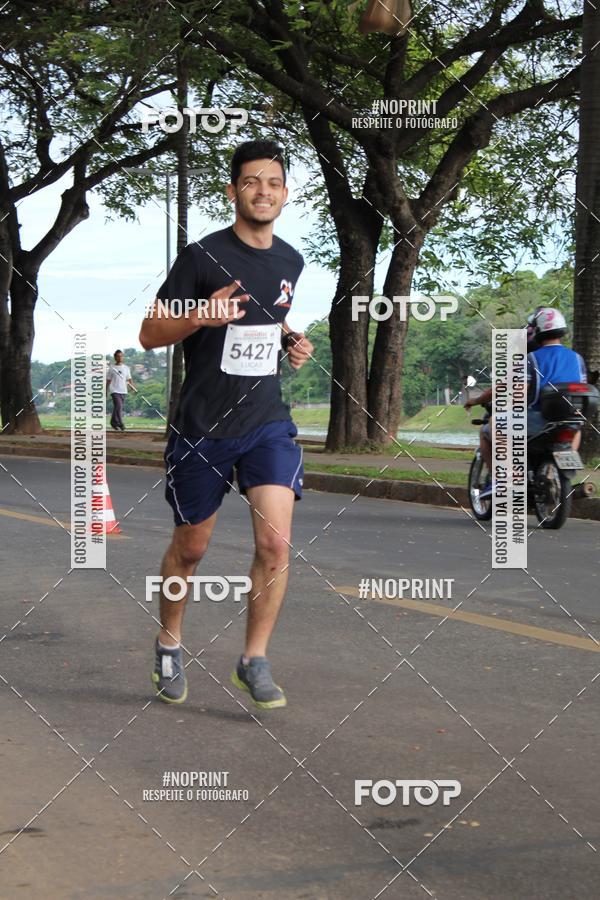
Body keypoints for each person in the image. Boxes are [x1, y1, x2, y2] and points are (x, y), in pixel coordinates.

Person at [139, 140, 313, 709]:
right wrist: (198, 314)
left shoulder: (291, 260)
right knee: (191, 549)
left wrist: (291, 341)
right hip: (203, 425)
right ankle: (169, 642)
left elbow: (269, 318)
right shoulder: (201, 257)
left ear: (285, 193)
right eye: (251, 182)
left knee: (275, 540)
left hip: (267, 420)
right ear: (233, 189)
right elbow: (149, 333)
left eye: (274, 183)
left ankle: (254, 659)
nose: (263, 191)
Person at [465, 307, 587, 470]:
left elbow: (519, 394)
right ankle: (561, 469)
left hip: (539, 419)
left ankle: (508, 478)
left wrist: (507, 407)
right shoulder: (577, 359)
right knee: (575, 429)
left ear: (537, 330)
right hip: (568, 420)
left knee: (493, 424)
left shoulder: (531, 359)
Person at [106, 350, 136, 431]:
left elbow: (129, 379)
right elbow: (108, 380)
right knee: (119, 406)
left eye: (121, 356)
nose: (120, 358)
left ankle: (113, 422)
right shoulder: (112, 368)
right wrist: (106, 391)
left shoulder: (126, 368)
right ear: (115, 357)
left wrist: (132, 387)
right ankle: (120, 423)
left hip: (123, 390)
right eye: (118, 356)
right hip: (114, 390)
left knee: (117, 407)